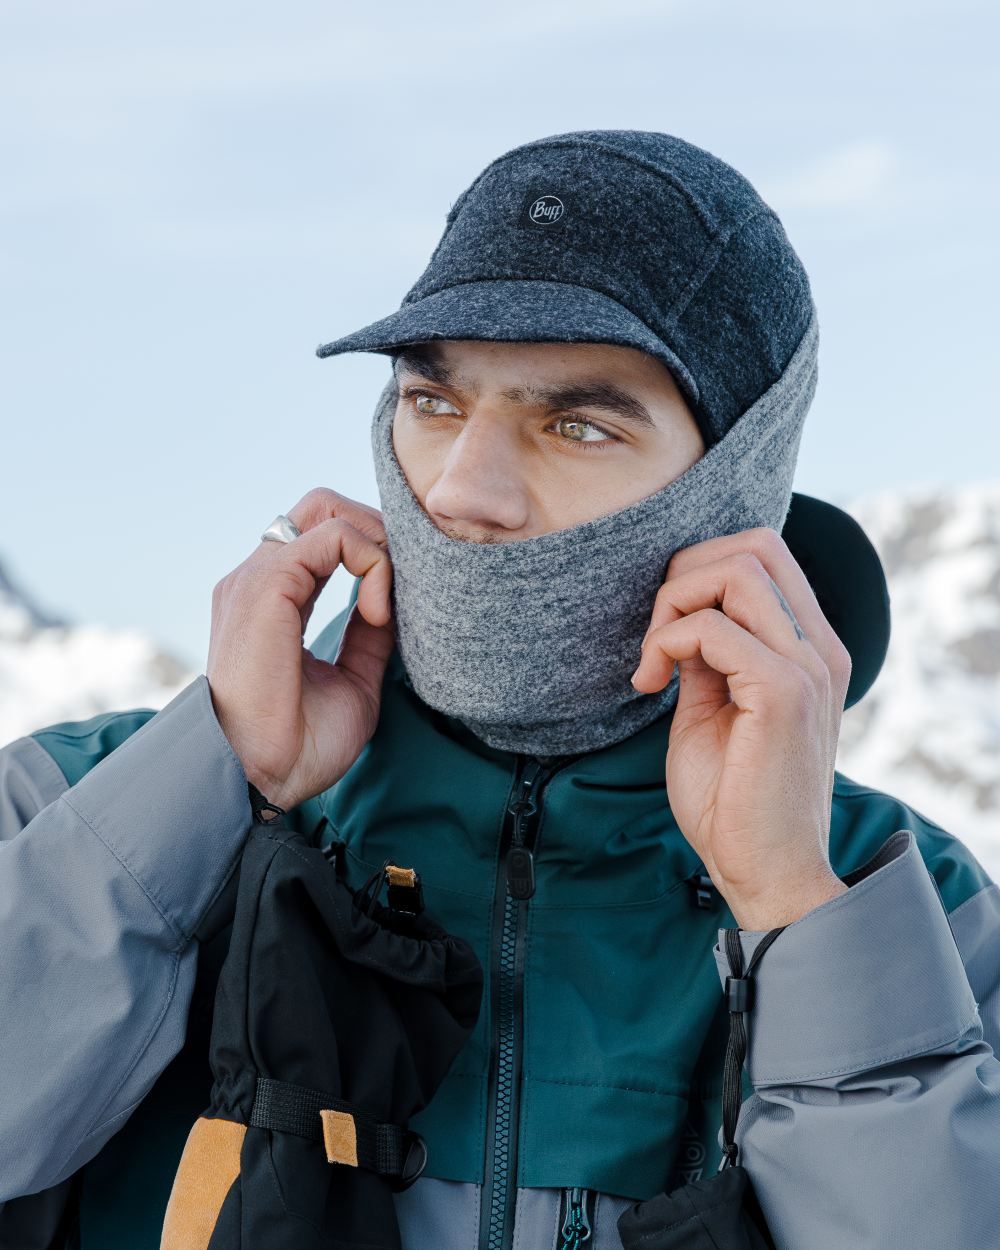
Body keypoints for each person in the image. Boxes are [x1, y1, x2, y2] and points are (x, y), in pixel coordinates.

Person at [1, 129, 998, 1250]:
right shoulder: (72, 807)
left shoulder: (907, 914)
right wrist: (214, 776)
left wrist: (793, 911)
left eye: (575, 424)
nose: (464, 490)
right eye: (432, 402)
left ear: (734, 485)